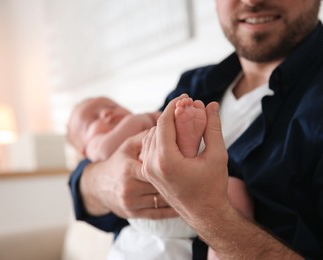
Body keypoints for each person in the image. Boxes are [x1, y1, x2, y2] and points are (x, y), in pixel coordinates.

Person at [68, 0, 323, 258]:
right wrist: (106, 182)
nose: (252, 1)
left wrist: (211, 215)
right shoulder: (192, 85)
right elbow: (85, 187)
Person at [67, 96, 253, 259]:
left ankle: (219, 252)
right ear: (83, 151)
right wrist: (142, 120)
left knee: (234, 189)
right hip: (153, 211)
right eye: (92, 119)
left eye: (113, 106)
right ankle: (185, 150)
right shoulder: (96, 147)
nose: (107, 112)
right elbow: (103, 151)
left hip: (202, 217)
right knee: (151, 157)